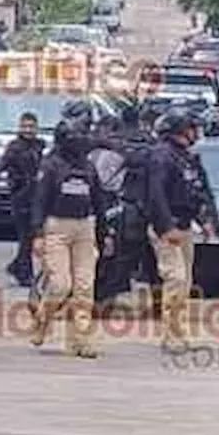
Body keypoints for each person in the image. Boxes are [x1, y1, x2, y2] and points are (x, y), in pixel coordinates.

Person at [29, 118, 102, 358]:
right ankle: (44, 317)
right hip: (56, 226)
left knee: (84, 286)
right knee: (61, 284)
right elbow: (39, 200)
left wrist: (104, 233)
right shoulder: (51, 165)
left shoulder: (89, 167)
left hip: (84, 227)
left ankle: (81, 340)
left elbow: (99, 201)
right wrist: (38, 234)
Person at [146, 107, 217, 349]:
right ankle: (170, 335)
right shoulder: (161, 156)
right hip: (167, 227)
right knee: (175, 279)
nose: (194, 132)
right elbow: (155, 195)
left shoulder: (188, 157)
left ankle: (180, 334)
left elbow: (196, 191)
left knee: (185, 283)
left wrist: (205, 220)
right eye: (190, 128)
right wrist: (166, 227)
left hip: (186, 227)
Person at [89, 106, 151, 314]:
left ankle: (104, 299)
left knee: (115, 257)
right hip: (142, 208)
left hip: (121, 206)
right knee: (139, 257)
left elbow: (103, 181)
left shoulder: (111, 146)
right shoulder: (148, 143)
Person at [0, 112, 44, 287]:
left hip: (36, 196)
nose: (28, 130)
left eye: (31, 127)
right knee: (25, 236)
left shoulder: (40, 145)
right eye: (24, 126)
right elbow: (4, 163)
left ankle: (17, 266)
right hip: (20, 195)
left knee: (30, 236)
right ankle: (24, 273)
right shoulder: (14, 146)